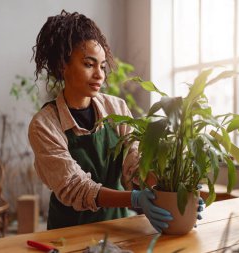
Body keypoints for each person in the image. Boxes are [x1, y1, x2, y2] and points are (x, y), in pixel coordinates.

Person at [28, 10, 172, 232]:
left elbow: (134, 165)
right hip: (69, 233)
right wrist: (134, 199)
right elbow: (75, 186)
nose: (100, 75)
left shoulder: (117, 108)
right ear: (62, 66)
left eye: (102, 66)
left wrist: (174, 190)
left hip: (118, 227)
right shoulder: (45, 125)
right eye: (89, 64)